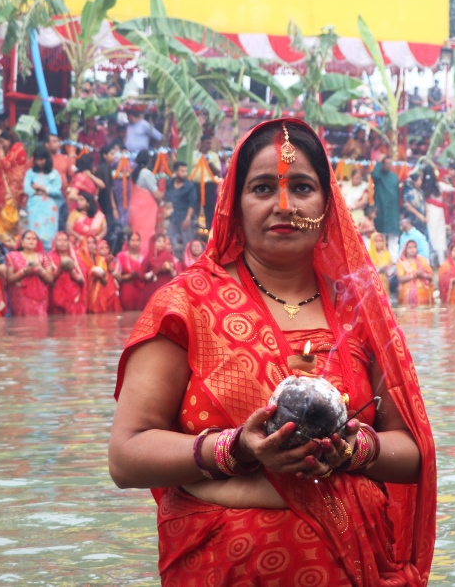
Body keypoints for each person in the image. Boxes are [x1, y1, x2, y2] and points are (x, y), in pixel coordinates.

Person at [108, 118, 435, 585]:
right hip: (222, 567)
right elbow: (126, 455)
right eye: (262, 188)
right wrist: (237, 448)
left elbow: (412, 453)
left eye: (302, 187)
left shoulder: (359, 312)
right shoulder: (186, 306)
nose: (284, 205)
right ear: (234, 206)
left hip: (355, 565)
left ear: (328, 204)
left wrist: (349, 450)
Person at [0, 130, 27, 244]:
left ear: (10, 140)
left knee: (9, 209)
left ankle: (9, 239)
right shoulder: (10, 150)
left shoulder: (17, 148)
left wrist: (1, 153)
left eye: (3, 142)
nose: (2, 145)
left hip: (14, 186)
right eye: (0, 143)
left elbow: (6, 164)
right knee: (1, 209)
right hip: (7, 185)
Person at [5, 230, 54, 316]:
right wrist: (24, 271)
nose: (31, 241)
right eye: (28, 238)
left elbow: (50, 280)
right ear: (22, 242)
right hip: (20, 297)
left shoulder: (44, 257)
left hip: (40, 298)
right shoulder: (12, 256)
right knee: (21, 324)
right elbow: (9, 279)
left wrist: (40, 270)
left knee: (40, 324)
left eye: (34, 239)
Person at [24, 147, 64, 251]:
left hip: (49, 207)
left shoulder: (54, 173)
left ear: (47, 159)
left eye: (42, 159)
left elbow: (57, 190)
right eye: (37, 159)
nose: (40, 162)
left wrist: (41, 188)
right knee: (33, 232)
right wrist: (42, 192)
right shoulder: (30, 173)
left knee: (48, 233)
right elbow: (27, 189)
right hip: (34, 205)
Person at [129, 150, 162, 257]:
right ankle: (146, 255)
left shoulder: (134, 172)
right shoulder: (146, 173)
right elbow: (156, 194)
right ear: (149, 160)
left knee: (136, 231)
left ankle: (135, 254)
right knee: (146, 233)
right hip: (146, 210)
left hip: (135, 208)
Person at [48, 231, 87, 315]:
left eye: (65, 240)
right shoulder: (49, 257)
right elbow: (49, 280)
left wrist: (72, 272)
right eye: (59, 240)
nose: (63, 243)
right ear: (55, 243)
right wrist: (61, 269)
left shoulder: (76, 258)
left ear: (69, 243)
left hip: (75, 296)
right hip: (57, 296)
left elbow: (83, 280)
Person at [165, 161, 198, 253]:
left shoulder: (189, 186)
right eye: (182, 171)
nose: (185, 174)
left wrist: (187, 219)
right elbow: (167, 198)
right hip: (173, 218)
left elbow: (192, 203)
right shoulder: (170, 183)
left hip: (185, 218)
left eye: (185, 171)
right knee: (169, 242)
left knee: (188, 245)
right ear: (175, 172)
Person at [116, 231, 152, 311]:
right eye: (132, 240)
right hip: (127, 290)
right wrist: (129, 276)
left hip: (142, 290)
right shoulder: (121, 256)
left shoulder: (146, 256)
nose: (135, 243)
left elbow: (150, 273)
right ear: (128, 242)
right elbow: (118, 277)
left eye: (137, 240)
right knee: (127, 317)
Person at [372, 156, 401, 250]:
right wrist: (379, 162)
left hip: (393, 210)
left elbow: (398, 192)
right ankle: (381, 260)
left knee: (393, 237)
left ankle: (393, 261)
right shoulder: (379, 175)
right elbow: (374, 175)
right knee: (381, 236)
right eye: (386, 164)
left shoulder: (394, 176)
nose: (388, 166)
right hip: (382, 209)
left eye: (390, 164)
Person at [143, 233, 179, 304]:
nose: (161, 243)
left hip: (166, 290)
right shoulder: (149, 257)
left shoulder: (169, 256)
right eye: (159, 241)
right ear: (153, 243)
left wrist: (170, 269)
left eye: (163, 241)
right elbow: (142, 275)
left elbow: (175, 275)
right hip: (152, 290)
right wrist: (154, 271)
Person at [88, 239, 122, 314]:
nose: (105, 250)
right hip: (98, 295)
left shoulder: (113, 261)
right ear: (97, 250)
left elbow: (119, 279)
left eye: (107, 248)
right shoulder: (93, 261)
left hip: (112, 294)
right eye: (102, 248)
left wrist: (110, 267)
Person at [396, 239, 434, 306]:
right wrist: (415, 274)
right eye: (410, 247)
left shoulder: (422, 260)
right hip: (406, 294)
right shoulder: (401, 262)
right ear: (405, 249)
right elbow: (400, 279)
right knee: (407, 315)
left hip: (422, 294)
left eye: (414, 247)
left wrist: (423, 275)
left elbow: (431, 277)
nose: (412, 249)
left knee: (423, 314)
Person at [422, 166, 447, 266]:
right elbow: (453, 189)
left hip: (428, 214)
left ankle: (429, 263)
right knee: (440, 236)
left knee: (430, 236)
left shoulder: (422, 186)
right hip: (439, 213)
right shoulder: (439, 185)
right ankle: (442, 263)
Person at [368, 231, 396, 297]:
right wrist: (379, 269)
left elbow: (391, 271)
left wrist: (388, 270)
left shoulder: (387, 254)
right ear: (372, 242)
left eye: (381, 241)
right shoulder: (368, 254)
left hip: (384, 283)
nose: (379, 243)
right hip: (372, 284)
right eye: (376, 241)